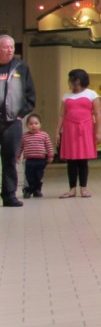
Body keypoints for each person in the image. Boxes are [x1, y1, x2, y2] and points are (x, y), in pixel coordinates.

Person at [0, 35, 36, 208]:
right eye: (5, 47)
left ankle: (9, 195)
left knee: (9, 160)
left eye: (12, 47)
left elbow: (30, 95)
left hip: (12, 121)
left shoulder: (21, 67)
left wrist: (21, 114)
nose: (9, 50)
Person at [57, 69, 101, 199]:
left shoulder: (92, 94)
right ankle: (72, 189)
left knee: (83, 160)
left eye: (69, 80)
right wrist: (57, 131)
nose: (68, 83)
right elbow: (61, 115)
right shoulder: (66, 96)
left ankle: (84, 188)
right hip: (69, 129)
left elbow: (98, 114)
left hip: (85, 128)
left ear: (77, 81)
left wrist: (98, 132)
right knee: (71, 160)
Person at [19, 113, 54, 198]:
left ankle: (37, 190)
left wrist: (50, 155)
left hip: (41, 160)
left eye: (36, 123)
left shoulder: (44, 135)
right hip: (29, 160)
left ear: (40, 125)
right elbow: (20, 147)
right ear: (27, 125)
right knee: (28, 176)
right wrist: (17, 155)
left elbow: (49, 146)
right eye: (30, 124)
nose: (33, 126)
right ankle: (27, 190)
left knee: (39, 176)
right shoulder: (24, 136)